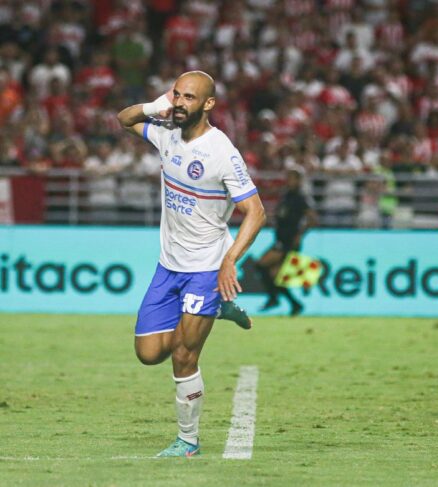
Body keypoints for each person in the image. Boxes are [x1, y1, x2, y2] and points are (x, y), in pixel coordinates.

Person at [117, 71, 266, 456]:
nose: (181, 103)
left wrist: (230, 260)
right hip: (168, 265)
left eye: (189, 97)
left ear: (208, 104)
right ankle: (216, 311)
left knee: (184, 355)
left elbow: (256, 212)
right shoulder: (166, 132)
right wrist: (156, 105)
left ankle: (188, 440)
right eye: (177, 95)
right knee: (148, 354)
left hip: (206, 267)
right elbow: (125, 119)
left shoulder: (222, 152)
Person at [257, 168, 317, 316]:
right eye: (288, 178)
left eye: (292, 178)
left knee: (262, 266)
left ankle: (275, 298)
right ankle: (294, 304)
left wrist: (299, 234)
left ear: (298, 181)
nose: (288, 181)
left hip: (289, 242)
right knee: (273, 275)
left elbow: (312, 219)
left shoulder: (300, 198)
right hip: (280, 240)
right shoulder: (286, 196)